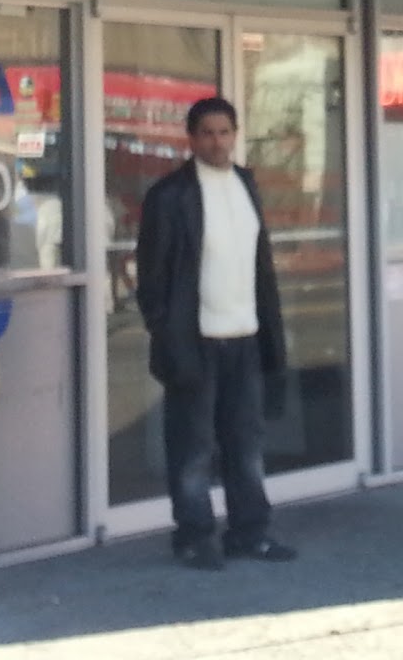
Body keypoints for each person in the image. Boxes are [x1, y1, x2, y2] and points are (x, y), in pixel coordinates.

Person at [136, 96, 296, 570]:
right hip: (196, 340)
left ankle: (249, 532)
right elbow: (153, 280)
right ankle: (193, 535)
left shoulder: (246, 184)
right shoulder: (170, 196)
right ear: (191, 138)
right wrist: (168, 336)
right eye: (207, 132)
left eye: (225, 131)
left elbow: (259, 264)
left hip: (244, 336)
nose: (217, 141)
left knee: (245, 443)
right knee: (192, 447)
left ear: (236, 134)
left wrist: (269, 333)